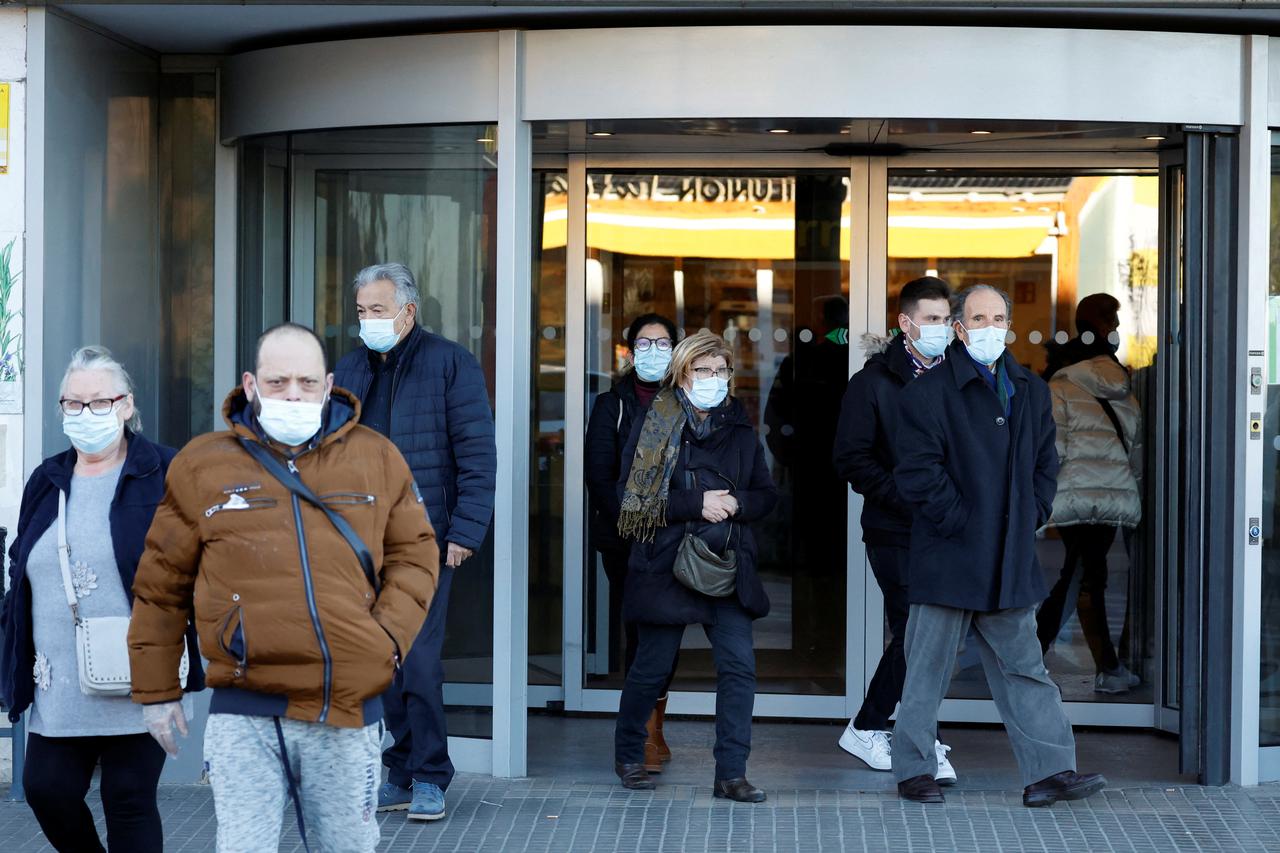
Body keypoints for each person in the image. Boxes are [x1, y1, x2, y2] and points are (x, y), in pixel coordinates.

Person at [127, 323, 439, 853]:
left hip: (345, 705)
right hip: (245, 709)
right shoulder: (202, 465)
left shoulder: (376, 456)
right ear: (250, 385)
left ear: (329, 383)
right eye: (277, 383)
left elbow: (415, 555)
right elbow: (162, 584)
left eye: (305, 382)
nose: (292, 395)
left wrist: (383, 643)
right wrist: (157, 692)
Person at [890, 285, 1107, 807]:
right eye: (978, 317)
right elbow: (919, 476)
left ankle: (1051, 773)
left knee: (1026, 671)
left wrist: (1032, 514)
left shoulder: (1030, 389)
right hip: (950, 556)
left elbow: (1044, 467)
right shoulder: (927, 393)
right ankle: (915, 771)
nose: (991, 326)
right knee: (927, 670)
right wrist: (963, 521)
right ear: (960, 329)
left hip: (1009, 560)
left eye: (999, 317)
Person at [0, 346, 204, 853]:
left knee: (128, 799)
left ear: (127, 405)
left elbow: (195, 568)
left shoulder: (165, 472)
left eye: (99, 402)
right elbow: (21, 561)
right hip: (59, 683)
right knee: (47, 790)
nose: (85, 414)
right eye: (73, 404)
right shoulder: (47, 480)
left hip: (139, 676)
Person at [333, 263, 496, 822]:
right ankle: (400, 770)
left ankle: (430, 774)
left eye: (377, 310)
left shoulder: (451, 363)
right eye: (361, 311)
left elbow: (477, 454)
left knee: (419, 659)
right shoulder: (350, 367)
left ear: (408, 310)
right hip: (360, 541)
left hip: (425, 539)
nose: (367, 321)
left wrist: (465, 531)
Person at [612, 330, 778, 802]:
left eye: (720, 370)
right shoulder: (654, 423)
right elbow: (631, 500)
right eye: (702, 370)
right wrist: (695, 503)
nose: (713, 378)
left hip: (724, 564)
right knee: (652, 665)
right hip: (665, 563)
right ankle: (628, 755)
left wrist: (735, 504)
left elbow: (766, 497)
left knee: (739, 667)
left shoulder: (740, 429)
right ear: (682, 375)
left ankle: (731, 773)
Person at [832, 277, 956, 782]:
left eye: (947, 319)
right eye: (931, 319)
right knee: (916, 628)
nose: (941, 329)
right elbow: (851, 458)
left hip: (948, 528)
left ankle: (915, 732)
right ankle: (867, 726)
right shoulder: (874, 383)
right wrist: (907, 498)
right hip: (896, 528)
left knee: (937, 631)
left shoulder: (961, 376)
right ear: (905, 324)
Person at [585, 312, 680, 772]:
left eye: (663, 343)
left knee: (668, 633)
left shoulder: (686, 400)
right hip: (625, 538)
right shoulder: (612, 404)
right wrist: (634, 515)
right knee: (638, 632)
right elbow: (598, 474)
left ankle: (655, 725)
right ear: (629, 351)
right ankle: (640, 731)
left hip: (676, 536)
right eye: (644, 344)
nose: (653, 352)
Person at [1036, 296, 1143, 694]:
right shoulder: (1121, 384)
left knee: (1081, 575)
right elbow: (1133, 444)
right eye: (1112, 318)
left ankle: (1039, 654)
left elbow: (1055, 446)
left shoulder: (1060, 382)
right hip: (1112, 494)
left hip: (1074, 492)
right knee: (1084, 575)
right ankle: (1105, 666)